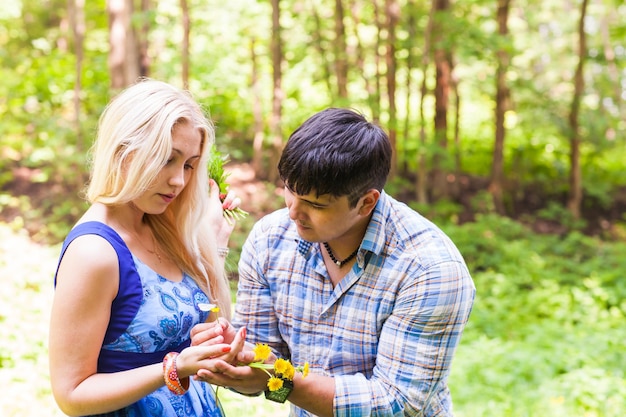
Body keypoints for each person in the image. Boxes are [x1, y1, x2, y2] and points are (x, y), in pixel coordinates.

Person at [191, 107, 476, 417]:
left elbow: (395, 404)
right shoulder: (270, 241)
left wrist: (278, 378)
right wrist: (238, 358)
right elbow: (263, 363)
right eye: (290, 190)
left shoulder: (429, 269)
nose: (293, 212)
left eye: (315, 204)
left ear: (367, 202)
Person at [49, 79, 246, 417]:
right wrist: (171, 369)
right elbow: (71, 394)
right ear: (125, 151)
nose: (179, 181)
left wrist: (214, 246)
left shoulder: (160, 225)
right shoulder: (95, 252)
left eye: (188, 164)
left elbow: (206, 333)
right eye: (167, 159)